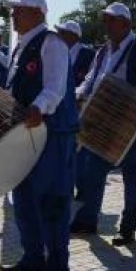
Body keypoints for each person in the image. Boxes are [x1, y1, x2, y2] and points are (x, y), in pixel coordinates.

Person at [0, 0, 78, 271]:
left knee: (52, 203)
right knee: (25, 200)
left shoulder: (52, 42)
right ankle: (33, 257)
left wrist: (38, 108)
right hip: (26, 135)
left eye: (18, 10)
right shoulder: (21, 47)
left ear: (37, 13)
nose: (13, 15)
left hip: (52, 135)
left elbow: (55, 88)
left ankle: (58, 270)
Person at [69, 3, 136, 246]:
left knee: (133, 172)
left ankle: (128, 227)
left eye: (111, 20)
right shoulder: (102, 51)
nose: (107, 25)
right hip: (103, 116)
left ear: (126, 23)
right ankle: (87, 220)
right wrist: (77, 94)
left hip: (133, 117)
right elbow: (91, 80)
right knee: (93, 171)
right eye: (105, 20)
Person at [56, 20, 95, 197]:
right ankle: (67, 186)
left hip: (81, 107)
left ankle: (83, 187)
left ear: (73, 35)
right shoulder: (59, 52)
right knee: (66, 150)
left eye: (62, 32)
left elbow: (92, 79)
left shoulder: (88, 54)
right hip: (62, 108)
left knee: (81, 150)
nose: (59, 36)